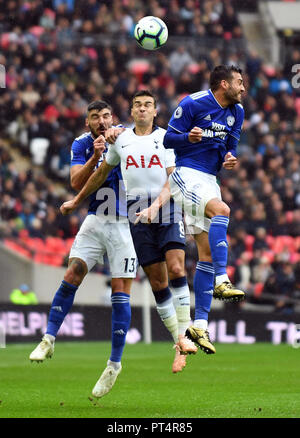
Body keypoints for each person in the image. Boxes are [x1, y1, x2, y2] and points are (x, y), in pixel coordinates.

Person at [60, 90, 198, 376]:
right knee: (158, 283)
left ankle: (187, 334)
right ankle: (179, 342)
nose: (143, 109)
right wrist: (76, 200)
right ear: (132, 111)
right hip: (137, 213)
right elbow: (99, 173)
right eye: (138, 105)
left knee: (175, 267)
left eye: (148, 104)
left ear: (155, 111)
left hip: (167, 207)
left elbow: (173, 178)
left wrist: (155, 207)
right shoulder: (121, 140)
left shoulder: (166, 138)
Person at [29, 101, 137, 399]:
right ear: (87, 122)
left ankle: (114, 364)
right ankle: (49, 338)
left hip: (125, 222)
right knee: (74, 270)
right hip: (95, 218)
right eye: (95, 117)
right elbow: (76, 181)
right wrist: (96, 157)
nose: (101, 121)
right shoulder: (81, 144)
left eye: (105, 116)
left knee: (120, 289)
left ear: (112, 118)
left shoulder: (127, 137)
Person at [163, 65, 246, 353]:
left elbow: (230, 147)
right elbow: (167, 139)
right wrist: (189, 138)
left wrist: (229, 158)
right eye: (239, 82)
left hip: (210, 180)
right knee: (222, 210)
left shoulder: (238, 112)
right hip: (186, 174)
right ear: (223, 84)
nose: (243, 88)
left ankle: (199, 325)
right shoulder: (193, 103)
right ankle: (223, 280)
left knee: (206, 254)